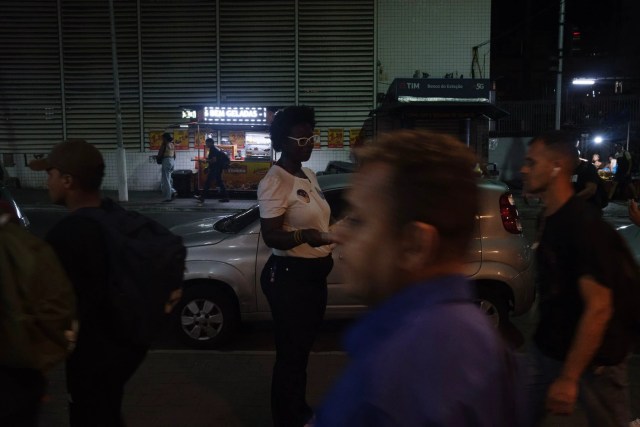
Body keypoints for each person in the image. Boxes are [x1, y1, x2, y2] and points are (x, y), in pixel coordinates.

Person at [314, 130, 520, 426]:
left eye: (358, 220)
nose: (339, 233)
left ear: (415, 245)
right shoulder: (483, 340)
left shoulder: (391, 374)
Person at [29, 139, 149, 427]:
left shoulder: (68, 234)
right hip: (122, 351)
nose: (47, 180)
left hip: (90, 358)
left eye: (50, 174)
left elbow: (55, 307)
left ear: (68, 180)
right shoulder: (114, 217)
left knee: (90, 416)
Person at [520, 130, 635, 426]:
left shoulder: (583, 226)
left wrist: (569, 378)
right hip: (549, 351)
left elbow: (599, 307)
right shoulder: (549, 218)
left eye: (531, 163)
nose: (523, 169)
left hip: (595, 366)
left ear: (557, 166)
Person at [258, 105, 334, 427]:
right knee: (291, 356)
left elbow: (316, 215)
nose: (309, 144)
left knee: (300, 353)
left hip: (313, 279)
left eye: (311, 137)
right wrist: (308, 236)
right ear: (282, 141)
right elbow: (272, 235)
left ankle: (297, 411)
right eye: (301, 140)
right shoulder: (274, 181)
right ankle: (289, 419)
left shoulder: (308, 174)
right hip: (290, 280)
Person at [194, 138, 230, 203]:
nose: (206, 144)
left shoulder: (213, 149)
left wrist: (205, 161)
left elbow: (214, 160)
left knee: (208, 183)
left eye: (207, 143)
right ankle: (226, 197)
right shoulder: (215, 149)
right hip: (218, 168)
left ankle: (202, 197)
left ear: (210, 143)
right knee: (219, 182)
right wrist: (207, 167)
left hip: (215, 169)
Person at [158, 132, 177, 202]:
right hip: (172, 161)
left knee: (166, 179)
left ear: (165, 138)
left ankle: (168, 196)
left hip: (166, 161)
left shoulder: (164, 144)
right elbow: (175, 155)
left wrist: (158, 157)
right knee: (169, 178)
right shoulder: (172, 144)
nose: (162, 140)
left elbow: (160, 154)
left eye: (163, 138)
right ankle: (172, 191)